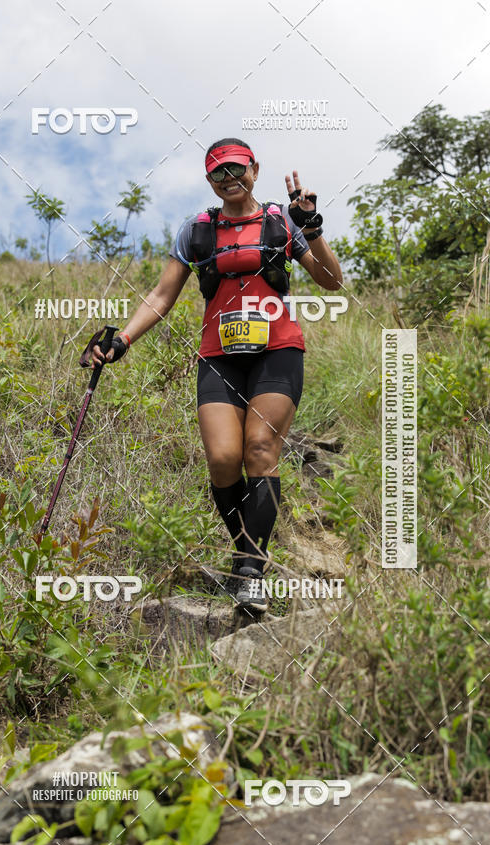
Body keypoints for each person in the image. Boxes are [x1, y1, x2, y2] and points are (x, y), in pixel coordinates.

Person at [90, 137, 342, 612]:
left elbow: (332, 280)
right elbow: (160, 297)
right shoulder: (197, 231)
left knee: (260, 450)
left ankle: (250, 572)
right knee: (224, 460)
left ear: (254, 169)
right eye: (218, 174)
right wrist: (120, 339)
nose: (229, 180)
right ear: (209, 181)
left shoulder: (280, 220)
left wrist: (312, 230)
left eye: (236, 169)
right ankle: (247, 551)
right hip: (219, 356)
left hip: (277, 351)